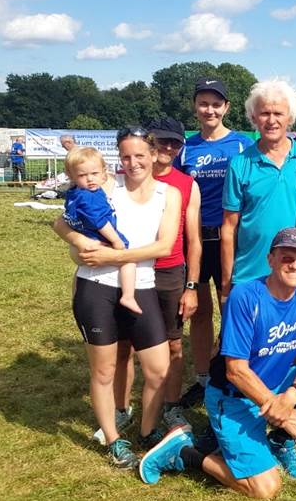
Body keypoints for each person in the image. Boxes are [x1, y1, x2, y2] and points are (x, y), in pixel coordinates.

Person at [137, 228, 296, 498]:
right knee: (265, 490)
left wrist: (291, 395)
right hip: (234, 396)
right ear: (270, 259)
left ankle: (279, 442)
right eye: (287, 258)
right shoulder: (246, 296)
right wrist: (280, 411)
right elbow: (235, 370)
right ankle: (186, 452)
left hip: (276, 384)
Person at [53, 127, 181, 469]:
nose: (133, 162)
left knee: (158, 369)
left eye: (140, 155)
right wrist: (79, 244)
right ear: (117, 159)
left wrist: (112, 256)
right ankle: (113, 439)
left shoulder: (168, 194)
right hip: (95, 287)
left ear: (153, 155)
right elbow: (60, 223)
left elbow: (164, 246)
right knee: (104, 370)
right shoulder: (105, 185)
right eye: (126, 156)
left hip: (142, 285)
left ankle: (148, 428)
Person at [174, 77, 253, 408]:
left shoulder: (241, 145)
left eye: (216, 104)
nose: (209, 109)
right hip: (194, 238)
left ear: (227, 108)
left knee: (231, 306)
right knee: (201, 312)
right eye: (203, 103)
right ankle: (204, 377)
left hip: (228, 237)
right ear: (195, 107)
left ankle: (231, 372)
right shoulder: (186, 147)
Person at [221, 79, 296, 295]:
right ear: (253, 118)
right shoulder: (240, 164)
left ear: (290, 118)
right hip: (250, 275)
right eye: (264, 113)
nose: (271, 120)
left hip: (295, 273)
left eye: (278, 113)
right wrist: (226, 281)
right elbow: (229, 228)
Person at [147, 117, 202, 428]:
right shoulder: (126, 177)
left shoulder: (186, 184)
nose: (167, 147)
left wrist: (191, 285)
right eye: (161, 140)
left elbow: (194, 241)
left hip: (170, 273)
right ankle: (122, 408)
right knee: (127, 345)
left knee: (174, 344)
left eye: (175, 142)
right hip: (133, 271)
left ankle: (171, 405)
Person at [63, 146, 141, 315]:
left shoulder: (75, 193)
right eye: (83, 176)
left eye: (94, 174)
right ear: (72, 176)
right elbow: (100, 221)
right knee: (129, 260)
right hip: (99, 236)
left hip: (89, 236)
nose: (90, 179)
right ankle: (128, 295)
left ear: (103, 172)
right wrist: (116, 241)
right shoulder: (88, 196)